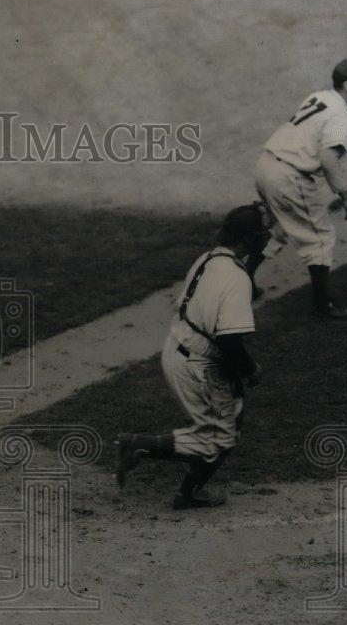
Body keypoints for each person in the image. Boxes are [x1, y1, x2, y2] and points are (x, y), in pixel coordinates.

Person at [114, 204, 269, 509]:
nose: (269, 236)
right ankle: (138, 446)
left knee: (228, 423)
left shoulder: (209, 258)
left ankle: (189, 493)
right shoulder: (237, 279)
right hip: (198, 365)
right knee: (220, 438)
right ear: (249, 239)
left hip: (178, 348)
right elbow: (229, 341)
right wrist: (250, 370)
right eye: (263, 232)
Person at [250, 58, 347, 318]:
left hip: (265, 166)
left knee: (279, 228)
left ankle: (245, 281)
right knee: (320, 238)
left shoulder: (321, 96)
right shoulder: (341, 116)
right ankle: (324, 307)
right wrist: (346, 195)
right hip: (288, 177)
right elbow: (328, 160)